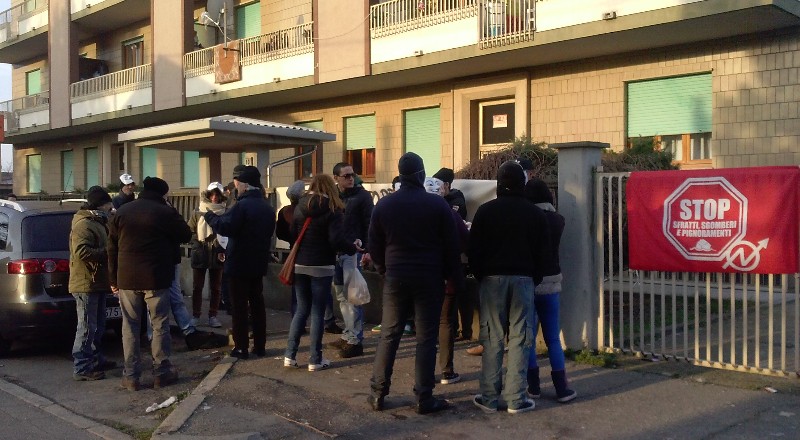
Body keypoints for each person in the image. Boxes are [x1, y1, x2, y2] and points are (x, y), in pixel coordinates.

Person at [367, 152, 460, 415]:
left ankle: (377, 393)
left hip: (396, 276)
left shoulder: (384, 205)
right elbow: (451, 246)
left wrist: (384, 269)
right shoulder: (437, 205)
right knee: (426, 338)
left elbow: (374, 244)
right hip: (429, 277)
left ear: (400, 175)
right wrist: (452, 277)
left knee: (389, 334)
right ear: (421, 175)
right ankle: (424, 397)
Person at [467, 161, 550, 414]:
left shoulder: (485, 211)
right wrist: (533, 278)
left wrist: (481, 275)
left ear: (499, 183)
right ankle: (516, 398)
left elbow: (474, 249)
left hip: (491, 280)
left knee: (492, 338)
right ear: (522, 183)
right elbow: (543, 254)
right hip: (524, 279)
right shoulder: (535, 214)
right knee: (520, 338)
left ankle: (489, 397)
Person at [109, 177, 192, 391]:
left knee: (130, 325)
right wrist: (171, 210)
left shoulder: (123, 211)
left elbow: (112, 247)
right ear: (162, 194)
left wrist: (113, 279)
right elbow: (185, 234)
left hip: (127, 277)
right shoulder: (165, 212)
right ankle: (161, 372)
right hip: (156, 276)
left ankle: (131, 376)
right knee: (159, 323)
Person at [284, 175, 360, 371]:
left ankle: (289, 356)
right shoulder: (333, 209)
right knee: (318, 312)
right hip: (322, 265)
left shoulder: (300, 206)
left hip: (300, 264)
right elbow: (336, 240)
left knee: (301, 310)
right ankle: (315, 359)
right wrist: (352, 248)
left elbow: (292, 234)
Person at [204, 166, 276, 360]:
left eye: (238, 183)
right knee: (257, 304)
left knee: (239, 307)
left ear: (245, 184)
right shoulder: (267, 207)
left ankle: (241, 347)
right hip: (258, 261)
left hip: (239, 262)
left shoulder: (242, 206)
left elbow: (226, 227)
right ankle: (260, 346)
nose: (236, 187)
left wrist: (210, 216)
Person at [524, 178, 577, 403]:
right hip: (552, 281)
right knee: (553, 338)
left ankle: (533, 386)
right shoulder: (558, 220)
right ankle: (561, 388)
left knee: (527, 338)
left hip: (529, 282)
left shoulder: (525, 219)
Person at [424, 176, 469, 386]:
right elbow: (465, 241)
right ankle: (446, 370)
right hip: (447, 276)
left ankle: (424, 373)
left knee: (425, 324)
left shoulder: (411, 214)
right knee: (445, 322)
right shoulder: (451, 215)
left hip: (420, 276)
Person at [69, 186, 116, 381]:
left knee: (98, 326)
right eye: (108, 206)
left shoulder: (99, 222)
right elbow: (81, 252)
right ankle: (81, 367)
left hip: (97, 281)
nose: (111, 209)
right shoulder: (84, 224)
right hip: (86, 282)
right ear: (100, 205)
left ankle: (95, 359)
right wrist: (107, 252)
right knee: (87, 327)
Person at [330, 162, 373, 358]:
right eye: (346, 175)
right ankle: (348, 334)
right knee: (341, 296)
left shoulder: (362, 196)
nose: (350, 178)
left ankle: (355, 339)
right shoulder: (334, 196)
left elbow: (369, 223)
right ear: (336, 178)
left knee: (353, 297)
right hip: (337, 251)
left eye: (352, 175)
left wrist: (368, 249)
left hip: (353, 252)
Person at [433, 167, 473, 342]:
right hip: (445, 262)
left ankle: (461, 331)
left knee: (454, 300)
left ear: (447, 185)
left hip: (453, 262)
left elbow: (461, 233)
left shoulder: (456, 201)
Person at [188, 182, 228, 328]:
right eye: (212, 194)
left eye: (217, 194)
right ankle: (196, 315)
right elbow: (190, 230)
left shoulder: (226, 211)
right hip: (201, 251)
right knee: (197, 287)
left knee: (216, 287)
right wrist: (198, 241)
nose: (214, 197)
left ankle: (213, 316)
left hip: (218, 251)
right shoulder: (198, 211)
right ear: (207, 195)